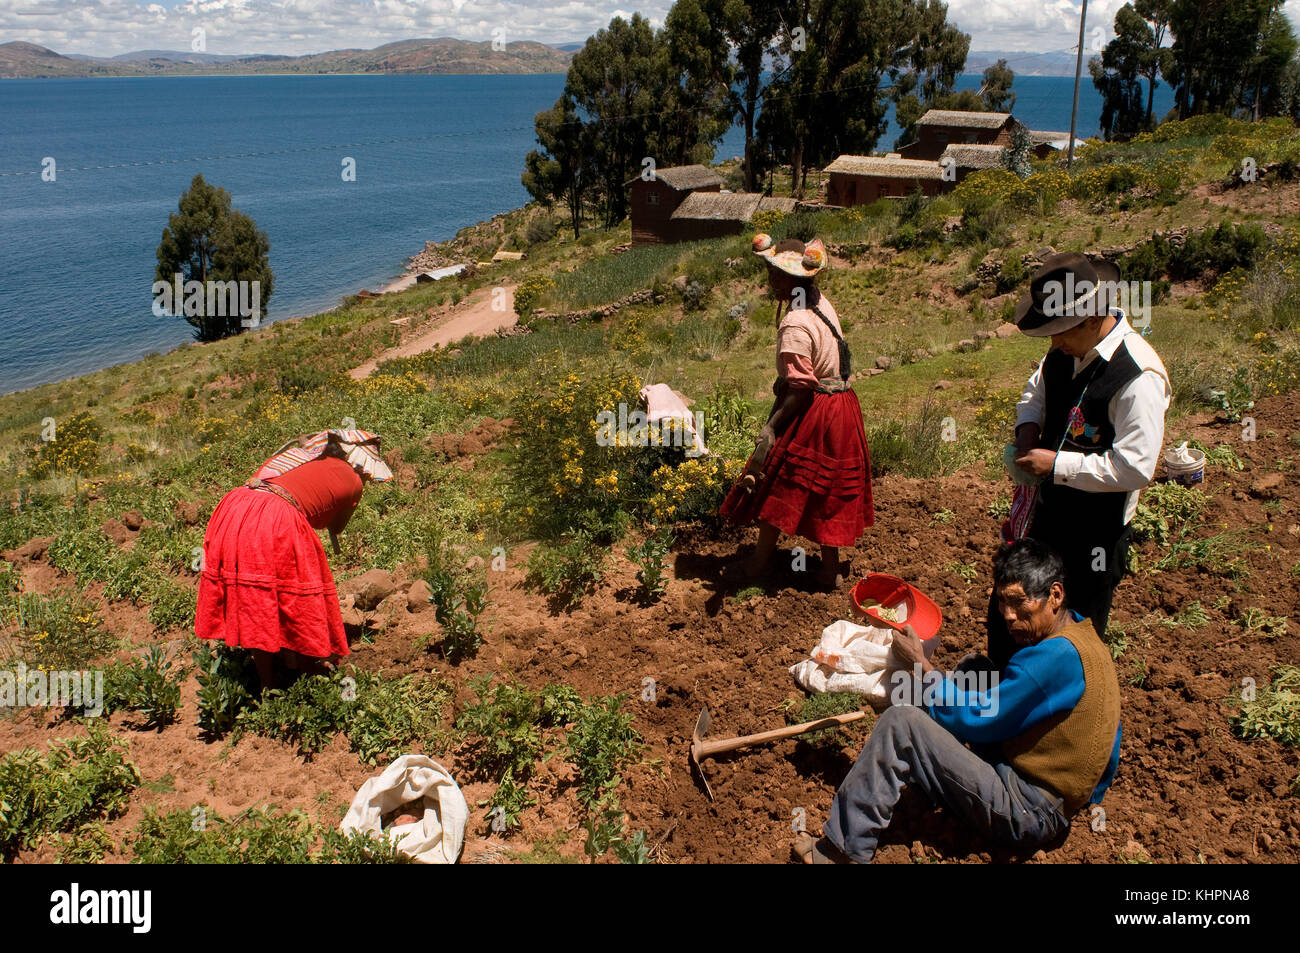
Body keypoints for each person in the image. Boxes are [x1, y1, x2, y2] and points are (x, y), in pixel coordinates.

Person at [796, 539, 1122, 864]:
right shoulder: (1085, 639)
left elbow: (976, 719)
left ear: (1054, 595)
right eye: (1002, 602)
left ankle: (841, 851)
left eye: (1018, 603)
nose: (1008, 616)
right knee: (975, 670)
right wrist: (1085, 797)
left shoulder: (1051, 659)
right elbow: (1109, 735)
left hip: (1026, 811)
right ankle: (926, 775)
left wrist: (921, 665)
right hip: (1049, 800)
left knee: (901, 724)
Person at [989, 252, 1170, 669]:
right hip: (1047, 516)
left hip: (1095, 531)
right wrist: (1028, 430)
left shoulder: (1138, 376)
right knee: (1013, 613)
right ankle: (1002, 700)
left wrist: (1056, 466)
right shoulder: (1065, 353)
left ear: (1092, 319)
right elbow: (1035, 393)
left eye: (1059, 332)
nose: (1054, 342)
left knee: (1075, 631)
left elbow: (1135, 467)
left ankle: (1065, 718)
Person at [719, 234, 873, 590]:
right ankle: (828, 568)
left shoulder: (794, 325)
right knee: (826, 489)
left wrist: (771, 427)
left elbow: (801, 389)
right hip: (843, 406)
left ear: (794, 280)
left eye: (776, 274)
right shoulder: (818, 301)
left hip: (816, 409)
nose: (771, 280)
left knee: (778, 479)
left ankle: (759, 563)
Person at [195, 430, 392, 689]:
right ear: (365, 465)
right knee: (299, 596)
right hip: (275, 517)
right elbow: (335, 526)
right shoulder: (353, 480)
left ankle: (266, 681)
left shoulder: (294, 457)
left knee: (254, 596)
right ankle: (308, 673)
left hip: (233, 509)